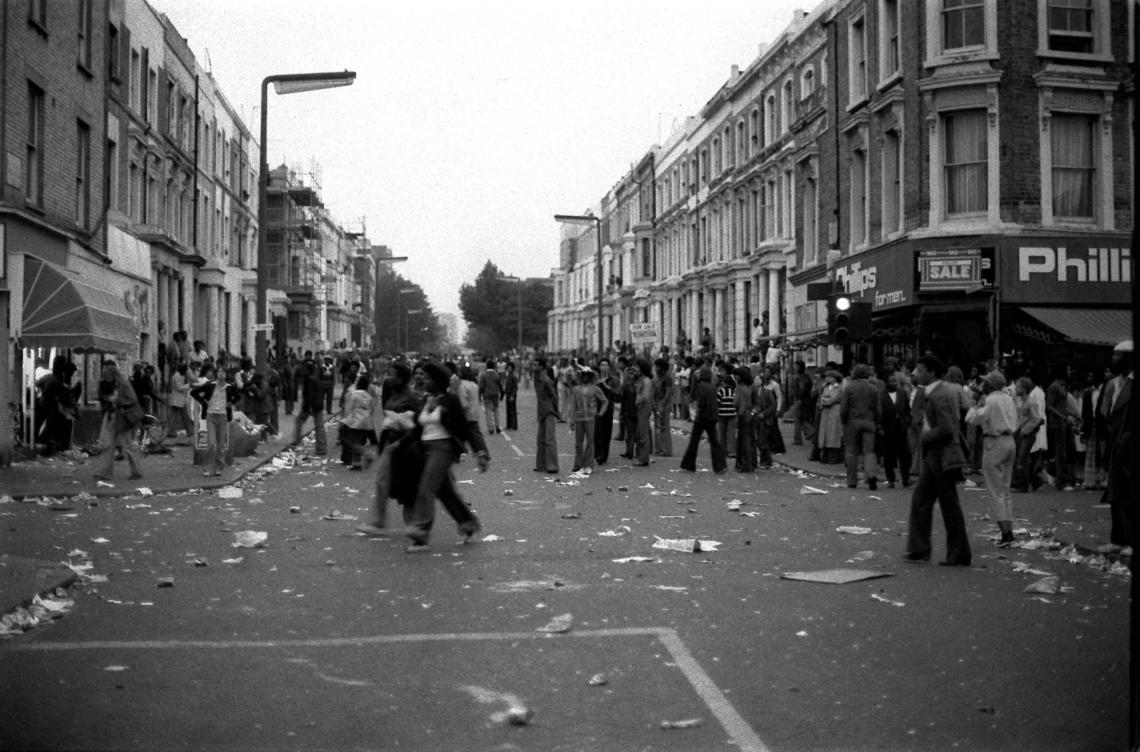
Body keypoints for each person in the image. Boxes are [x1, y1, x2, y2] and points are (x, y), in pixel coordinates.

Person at [403, 361, 483, 552]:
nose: (425, 381)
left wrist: (480, 452)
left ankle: (420, 533)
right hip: (426, 450)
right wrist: (397, 445)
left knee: (426, 487)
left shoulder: (450, 401)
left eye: (429, 378)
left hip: (444, 448)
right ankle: (467, 523)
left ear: (438, 381)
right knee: (445, 492)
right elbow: (417, 429)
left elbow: (467, 428)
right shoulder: (425, 401)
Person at [904, 355, 972, 566]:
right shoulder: (930, 392)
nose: (916, 373)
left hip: (942, 455)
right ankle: (919, 549)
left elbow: (947, 429)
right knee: (921, 500)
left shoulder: (940, 395)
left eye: (920, 370)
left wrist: (925, 437)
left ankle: (958, 553)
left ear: (932, 372)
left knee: (948, 505)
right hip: (934, 456)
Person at [965, 370, 1019, 547]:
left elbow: (974, 419)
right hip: (1010, 440)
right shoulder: (1008, 399)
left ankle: (1006, 534)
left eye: (985, 382)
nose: (983, 385)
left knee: (995, 490)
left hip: (994, 441)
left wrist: (973, 405)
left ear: (990, 385)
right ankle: (1009, 530)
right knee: (1005, 488)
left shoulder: (990, 400)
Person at [1100, 341, 1133, 554]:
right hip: (1115, 446)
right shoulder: (1114, 383)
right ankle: (1118, 538)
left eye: (1118, 356)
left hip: (1129, 446)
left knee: (1130, 495)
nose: (1113, 360)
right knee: (1116, 494)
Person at [92, 360, 144, 481]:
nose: (104, 376)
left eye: (106, 374)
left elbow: (132, 399)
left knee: (127, 445)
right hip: (110, 416)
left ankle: (136, 471)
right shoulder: (103, 384)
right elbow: (102, 399)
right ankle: (105, 472)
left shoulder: (123, 383)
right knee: (107, 445)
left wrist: (116, 400)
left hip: (122, 418)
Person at [190, 363, 240, 477]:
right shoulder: (210, 385)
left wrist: (231, 403)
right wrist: (203, 401)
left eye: (223, 372)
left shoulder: (229, 387)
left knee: (221, 445)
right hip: (211, 415)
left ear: (226, 374)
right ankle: (207, 468)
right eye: (219, 371)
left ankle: (219, 467)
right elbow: (194, 392)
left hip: (223, 416)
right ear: (216, 374)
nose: (221, 374)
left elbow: (238, 396)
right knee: (211, 443)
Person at [841, 363, 881, 490]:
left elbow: (844, 408)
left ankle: (852, 480)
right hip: (869, 422)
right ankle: (870, 475)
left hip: (853, 421)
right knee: (869, 451)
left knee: (852, 451)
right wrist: (877, 422)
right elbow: (878, 409)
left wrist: (844, 421)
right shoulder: (874, 388)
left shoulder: (849, 388)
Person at [680, 367, 727, 473]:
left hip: (702, 417)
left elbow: (701, 401)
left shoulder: (701, 386)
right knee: (715, 442)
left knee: (694, 441)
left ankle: (689, 465)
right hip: (712, 416)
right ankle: (720, 465)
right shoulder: (712, 386)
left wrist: (698, 412)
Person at [569, 367, 608, 474]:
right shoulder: (576, 389)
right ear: (581, 376)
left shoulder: (595, 389)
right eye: (583, 375)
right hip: (579, 418)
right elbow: (573, 405)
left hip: (591, 418)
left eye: (587, 375)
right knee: (578, 443)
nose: (585, 377)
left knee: (590, 442)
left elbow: (605, 401)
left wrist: (601, 412)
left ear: (590, 377)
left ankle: (589, 464)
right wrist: (571, 420)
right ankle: (578, 465)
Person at [1044, 361, 1076, 491]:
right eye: (1068, 369)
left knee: (1065, 451)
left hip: (1064, 421)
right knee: (1060, 452)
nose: (1070, 372)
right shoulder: (1054, 387)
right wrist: (1063, 417)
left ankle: (1065, 479)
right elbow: (1049, 406)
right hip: (1057, 423)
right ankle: (1061, 481)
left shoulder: (1062, 385)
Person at [1011, 377, 1045, 492]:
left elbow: (1037, 419)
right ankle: (1036, 482)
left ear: (1025, 388)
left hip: (1027, 434)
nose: (1016, 388)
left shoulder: (1031, 402)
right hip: (1021, 433)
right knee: (1023, 458)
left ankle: (1023, 486)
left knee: (1022, 459)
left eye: (1018, 386)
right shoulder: (1023, 401)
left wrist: (1025, 430)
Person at [879, 373, 912, 488]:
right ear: (886, 382)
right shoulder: (881, 395)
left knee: (905, 455)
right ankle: (891, 479)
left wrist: (906, 420)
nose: (894, 383)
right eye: (891, 381)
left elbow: (907, 409)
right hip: (887, 428)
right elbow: (878, 412)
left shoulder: (902, 393)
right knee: (888, 455)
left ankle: (906, 478)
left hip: (901, 427)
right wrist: (880, 427)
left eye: (895, 381)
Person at [291, 355, 328, 455]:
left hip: (310, 406)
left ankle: (297, 440)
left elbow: (309, 394)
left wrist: (309, 406)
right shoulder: (316, 377)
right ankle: (321, 448)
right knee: (319, 426)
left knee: (299, 421)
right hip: (318, 405)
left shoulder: (308, 379)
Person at [340, 371, 377, 470]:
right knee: (359, 440)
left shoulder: (354, 394)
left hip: (355, 421)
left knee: (351, 441)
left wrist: (344, 420)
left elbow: (349, 408)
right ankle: (357, 464)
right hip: (365, 422)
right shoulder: (367, 396)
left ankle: (366, 453)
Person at [457, 364, 490, 472]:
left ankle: (458, 454)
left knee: (460, 435)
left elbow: (463, 403)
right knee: (476, 435)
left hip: (465, 415)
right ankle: (483, 452)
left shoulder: (461, 385)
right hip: (474, 413)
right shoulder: (474, 384)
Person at [533, 358, 560, 474]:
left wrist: (556, 411)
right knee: (540, 439)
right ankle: (541, 465)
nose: (534, 367)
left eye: (536, 365)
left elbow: (554, 395)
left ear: (542, 367)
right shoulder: (537, 378)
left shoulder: (546, 380)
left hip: (548, 411)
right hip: (541, 411)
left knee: (549, 439)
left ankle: (552, 465)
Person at [816, 371, 844, 464]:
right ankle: (824, 456)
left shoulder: (839, 388)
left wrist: (826, 400)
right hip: (825, 412)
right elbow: (822, 399)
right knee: (825, 433)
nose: (827, 378)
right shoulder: (826, 387)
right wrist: (825, 400)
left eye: (829, 377)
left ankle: (833, 457)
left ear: (834, 378)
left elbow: (832, 399)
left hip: (834, 412)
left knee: (833, 433)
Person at [594, 358, 619, 465]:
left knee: (606, 431)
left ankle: (603, 455)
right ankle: (597, 452)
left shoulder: (613, 380)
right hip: (595, 407)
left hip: (608, 408)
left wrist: (606, 386)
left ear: (609, 366)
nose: (604, 367)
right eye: (602, 364)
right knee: (596, 431)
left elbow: (617, 394)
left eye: (606, 364)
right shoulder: (595, 378)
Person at [734, 367, 756, 472]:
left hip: (742, 414)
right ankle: (752, 462)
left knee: (742, 440)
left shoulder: (740, 388)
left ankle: (743, 463)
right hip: (751, 415)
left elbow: (735, 402)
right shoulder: (752, 387)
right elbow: (757, 402)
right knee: (751, 439)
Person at [651, 358, 674, 457]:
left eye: (657, 366)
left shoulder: (667, 378)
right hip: (657, 404)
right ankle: (659, 449)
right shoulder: (656, 378)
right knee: (657, 427)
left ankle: (665, 450)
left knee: (664, 427)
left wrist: (662, 404)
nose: (655, 368)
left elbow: (668, 394)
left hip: (663, 406)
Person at [633, 359, 653, 465]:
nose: (635, 369)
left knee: (643, 433)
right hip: (640, 407)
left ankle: (644, 458)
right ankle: (641, 456)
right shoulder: (640, 380)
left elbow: (645, 397)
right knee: (640, 433)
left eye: (638, 367)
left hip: (643, 407)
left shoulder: (646, 381)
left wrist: (636, 402)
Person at [716, 365, 737, 460]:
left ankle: (722, 451)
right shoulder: (734, 391)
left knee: (722, 433)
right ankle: (731, 451)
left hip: (722, 415)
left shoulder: (721, 391)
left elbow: (717, 403)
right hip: (732, 415)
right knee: (731, 433)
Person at [792, 361, 814, 445]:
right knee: (801, 420)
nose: (794, 368)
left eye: (796, 366)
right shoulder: (804, 377)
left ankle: (810, 433)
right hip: (804, 400)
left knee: (800, 420)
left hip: (802, 400)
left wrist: (799, 398)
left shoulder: (802, 378)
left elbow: (802, 390)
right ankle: (800, 437)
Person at [479, 358, 503, 434]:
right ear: (494, 366)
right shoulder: (496, 375)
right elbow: (500, 386)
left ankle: (490, 428)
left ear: (487, 366)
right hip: (495, 395)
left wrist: (479, 395)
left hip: (486, 395)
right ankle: (497, 426)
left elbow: (481, 387)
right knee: (496, 410)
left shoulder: (483, 376)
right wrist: (502, 394)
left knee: (488, 411)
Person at [168, 364, 192, 438]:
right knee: (180, 417)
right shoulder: (177, 376)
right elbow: (179, 388)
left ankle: (188, 432)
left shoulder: (180, 375)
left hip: (180, 399)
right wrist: (189, 385)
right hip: (177, 399)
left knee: (180, 417)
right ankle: (188, 432)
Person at [503, 362, 519, 431]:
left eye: (510, 368)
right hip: (508, 395)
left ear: (513, 369)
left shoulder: (513, 377)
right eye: (508, 367)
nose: (509, 369)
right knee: (508, 411)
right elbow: (506, 386)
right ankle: (508, 425)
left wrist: (513, 395)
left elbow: (515, 387)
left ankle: (513, 426)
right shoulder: (508, 376)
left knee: (512, 411)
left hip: (512, 395)